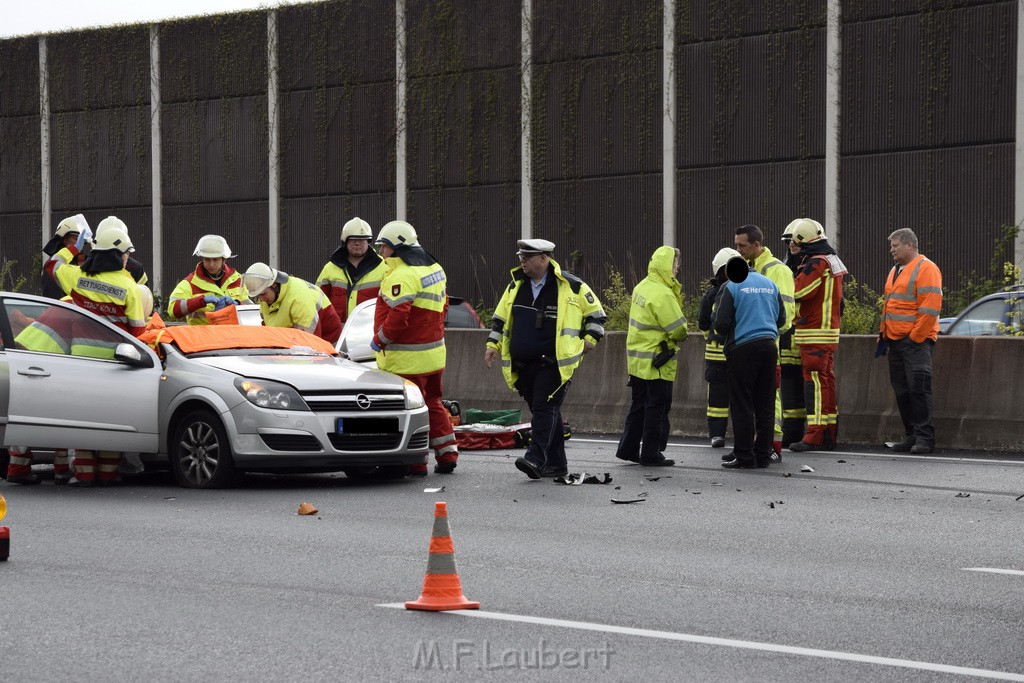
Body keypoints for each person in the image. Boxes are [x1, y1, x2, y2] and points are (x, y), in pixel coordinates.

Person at [484, 239, 606, 479]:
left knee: (543, 408)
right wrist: (492, 344)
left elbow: (597, 316)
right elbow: (499, 320)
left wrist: (590, 339)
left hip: (554, 364)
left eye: (527, 257)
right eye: (521, 256)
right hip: (523, 365)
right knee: (549, 413)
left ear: (544, 258)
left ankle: (535, 458)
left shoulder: (571, 286)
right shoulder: (515, 286)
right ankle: (557, 464)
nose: (522, 260)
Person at [57, 223, 148, 485]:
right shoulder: (129, 286)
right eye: (126, 254)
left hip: (80, 361)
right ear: (118, 256)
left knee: (84, 419)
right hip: (115, 362)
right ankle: (107, 475)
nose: (127, 258)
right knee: (110, 419)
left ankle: (84, 476)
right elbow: (137, 330)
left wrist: (74, 247)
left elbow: (52, 265)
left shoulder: (77, 277)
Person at [370, 220, 458, 476]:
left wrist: (379, 340)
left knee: (408, 410)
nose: (381, 253)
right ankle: (448, 454)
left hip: (406, 359)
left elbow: (398, 318)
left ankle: (415, 462)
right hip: (434, 354)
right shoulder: (434, 269)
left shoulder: (401, 275)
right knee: (433, 403)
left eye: (384, 247)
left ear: (396, 247)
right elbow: (444, 307)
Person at [614, 246, 688, 466]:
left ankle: (628, 448)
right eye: (676, 265)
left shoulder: (642, 287)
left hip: (637, 361)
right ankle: (651, 453)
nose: (677, 269)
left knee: (639, 406)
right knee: (658, 408)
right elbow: (679, 329)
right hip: (658, 361)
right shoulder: (663, 293)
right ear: (669, 266)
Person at [712, 256, 786, 469]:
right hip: (769, 346)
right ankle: (762, 455)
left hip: (742, 348)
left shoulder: (732, 285)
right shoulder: (770, 284)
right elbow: (781, 319)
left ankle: (744, 456)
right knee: (765, 404)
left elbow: (721, 323)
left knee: (742, 404)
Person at [734, 224, 796, 461]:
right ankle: (758, 443)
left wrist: (765, 333)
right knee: (755, 398)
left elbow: (786, 313)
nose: (738, 250)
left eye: (742, 245)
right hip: (754, 345)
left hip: (767, 345)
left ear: (756, 245)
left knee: (771, 397)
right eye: (737, 245)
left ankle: (772, 444)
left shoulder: (776, 270)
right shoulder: (752, 269)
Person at [879, 228, 943, 454]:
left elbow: (930, 307)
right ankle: (912, 435)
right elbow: (890, 306)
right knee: (902, 390)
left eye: (895, 246)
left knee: (919, 389)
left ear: (909, 245)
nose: (892, 250)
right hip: (895, 340)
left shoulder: (927, 268)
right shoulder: (895, 270)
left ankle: (925, 439)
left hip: (915, 342)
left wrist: (916, 337)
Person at [788, 219, 846, 452]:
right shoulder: (831, 260)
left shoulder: (816, 263)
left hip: (814, 332)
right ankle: (829, 432)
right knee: (826, 382)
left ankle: (815, 433)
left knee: (815, 384)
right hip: (826, 332)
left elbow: (798, 291)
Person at [698, 248, 739, 452]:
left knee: (719, 398)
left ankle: (717, 435)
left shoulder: (712, 294)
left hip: (720, 355)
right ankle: (725, 435)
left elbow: (703, 323)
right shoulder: (737, 289)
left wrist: (712, 338)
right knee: (729, 397)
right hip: (731, 354)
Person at [243, 262, 342, 344]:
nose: (261, 299)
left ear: (273, 284)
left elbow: (309, 342)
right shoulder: (267, 297)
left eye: (263, 294)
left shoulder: (299, 298)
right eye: (257, 296)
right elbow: (268, 331)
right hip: (294, 343)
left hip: (328, 341)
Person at [317, 217, 387, 327]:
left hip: (369, 331)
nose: (357, 243)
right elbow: (318, 301)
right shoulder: (330, 268)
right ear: (345, 241)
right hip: (338, 333)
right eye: (353, 239)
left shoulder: (384, 267)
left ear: (368, 242)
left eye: (363, 239)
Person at [167, 235, 249, 324]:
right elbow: (173, 311)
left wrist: (237, 304)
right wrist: (200, 301)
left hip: (232, 336)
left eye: (215, 259)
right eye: (207, 259)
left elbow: (251, 310)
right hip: (201, 337)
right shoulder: (190, 283)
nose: (211, 264)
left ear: (224, 259)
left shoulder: (237, 279)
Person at [778, 220, 808, 447]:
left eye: (796, 241)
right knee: (787, 385)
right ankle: (791, 432)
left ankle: (801, 432)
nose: (792, 245)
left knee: (803, 386)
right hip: (786, 338)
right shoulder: (784, 269)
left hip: (809, 337)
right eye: (789, 241)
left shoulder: (816, 268)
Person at [40, 214, 89, 299]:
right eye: (76, 238)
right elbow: (53, 298)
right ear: (64, 239)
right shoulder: (52, 265)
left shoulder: (82, 262)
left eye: (81, 239)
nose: (79, 243)